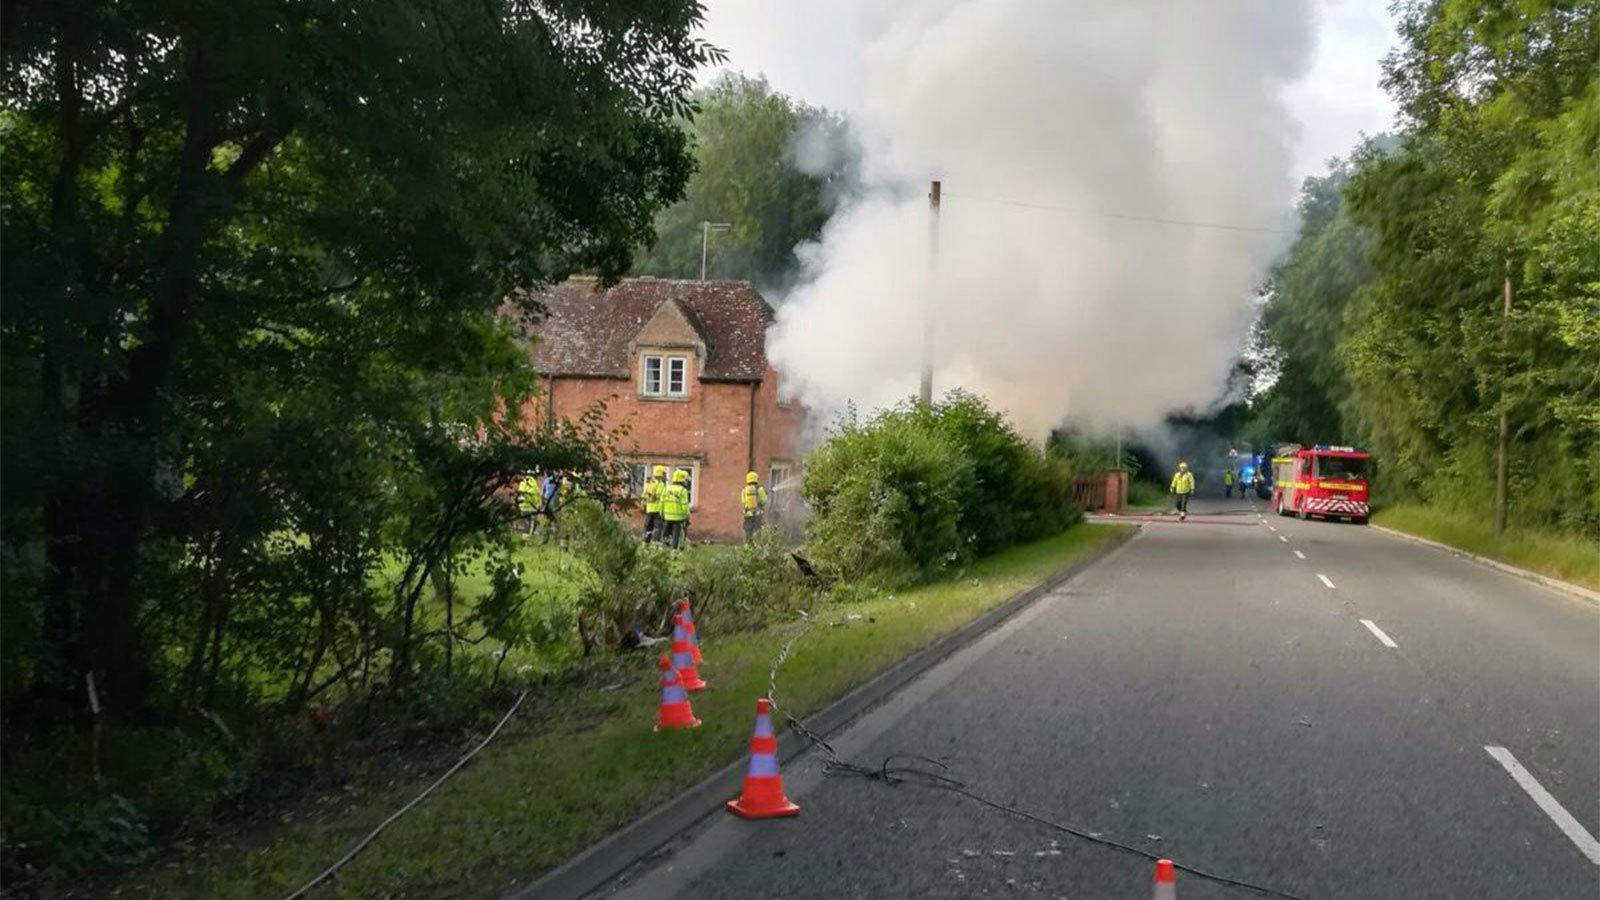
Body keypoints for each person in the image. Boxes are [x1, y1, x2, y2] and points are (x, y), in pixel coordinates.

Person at [659, 468, 691, 549]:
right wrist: (687, 517)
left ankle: (664, 550)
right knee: (676, 537)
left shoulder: (666, 488)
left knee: (666, 535)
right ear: (682, 480)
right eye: (685, 480)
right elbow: (684, 506)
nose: (686, 482)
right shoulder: (682, 490)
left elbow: (661, 503)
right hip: (679, 518)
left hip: (667, 517)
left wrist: (662, 514)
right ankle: (674, 551)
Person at [740, 470, 769, 543]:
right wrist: (765, 495)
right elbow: (764, 501)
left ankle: (748, 546)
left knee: (748, 532)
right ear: (756, 479)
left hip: (747, 515)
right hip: (757, 515)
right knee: (757, 532)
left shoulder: (744, 490)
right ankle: (757, 545)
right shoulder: (760, 489)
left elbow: (743, 502)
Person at [640, 464, 666, 543]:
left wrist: (644, 504)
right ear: (660, 474)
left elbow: (644, 494)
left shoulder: (649, 482)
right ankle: (656, 544)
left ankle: (645, 543)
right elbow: (659, 496)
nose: (664, 475)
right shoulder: (660, 484)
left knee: (648, 527)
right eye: (663, 473)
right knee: (658, 528)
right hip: (657, 510)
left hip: (649, 509)